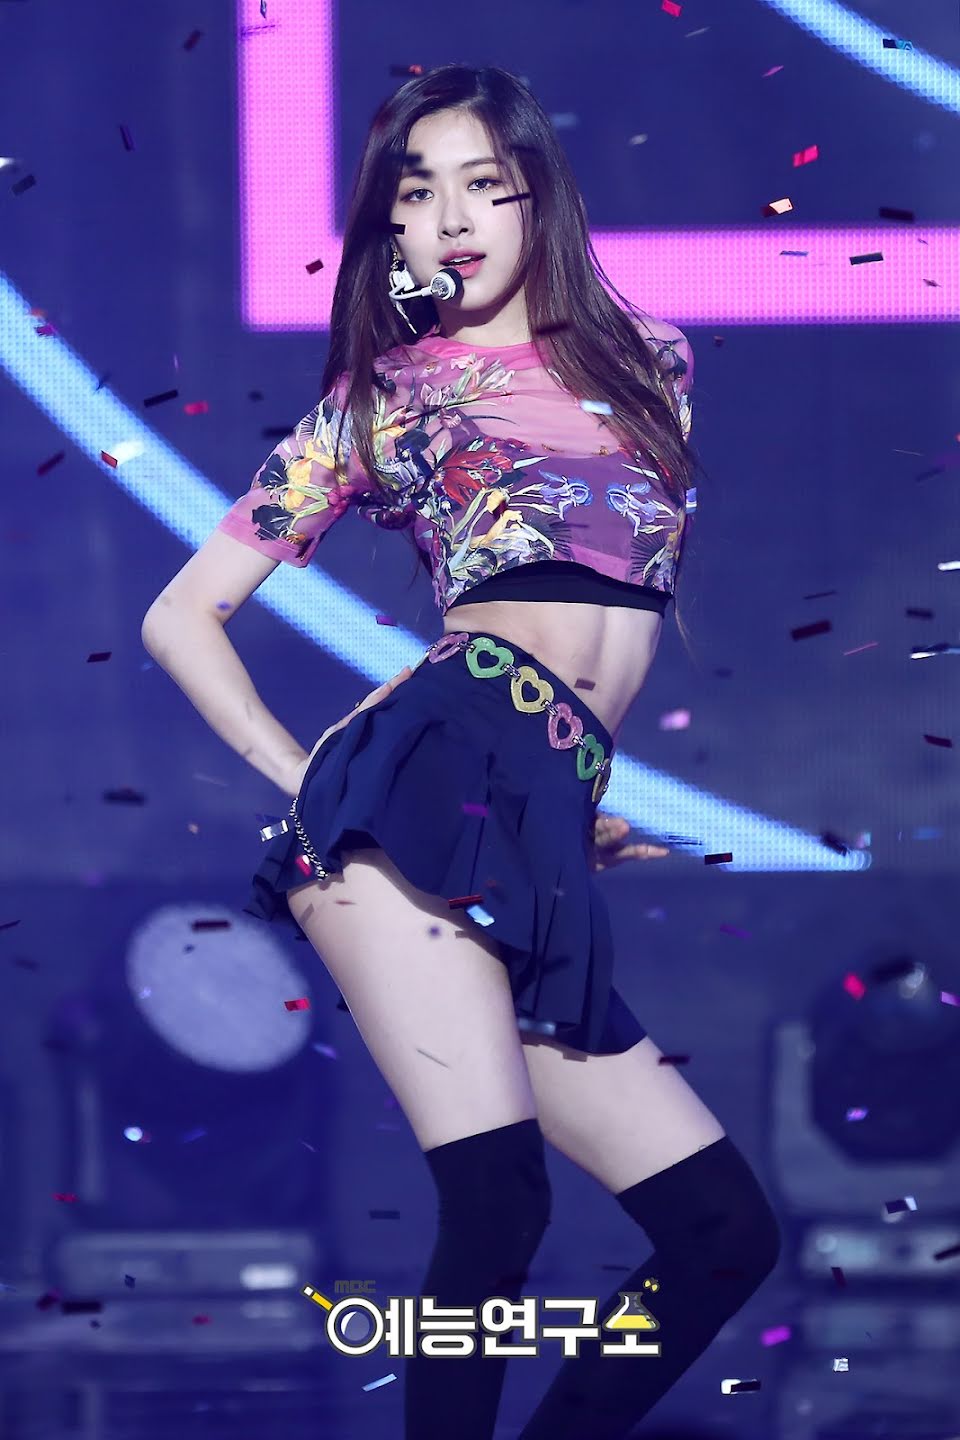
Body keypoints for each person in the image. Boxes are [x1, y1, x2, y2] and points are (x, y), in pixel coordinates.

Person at [141, 64, 781, 1440]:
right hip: (416, 796)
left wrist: (561, 796)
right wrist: (310, 776)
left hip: (530, 818)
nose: (452, 219)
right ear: (393, 230)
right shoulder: (384, 397)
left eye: (486, 184)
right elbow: (180, 614)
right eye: (417, 194)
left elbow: (596, 623)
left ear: (540, 196)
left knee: (723, 1235)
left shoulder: (651, 363)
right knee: (496, 1207)